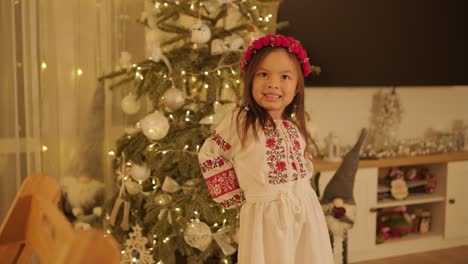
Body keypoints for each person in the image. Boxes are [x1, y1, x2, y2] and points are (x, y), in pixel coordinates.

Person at [198, 34, 334, 264]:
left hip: (305, 214)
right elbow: (209, 153)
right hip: (266, 220)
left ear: (297, 86)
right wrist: (236, 196)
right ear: (250, 79)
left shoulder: (293, 127)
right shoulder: (240, 121)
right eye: (263, 74)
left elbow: (303, 166)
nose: (273, 84)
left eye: (284, 77)